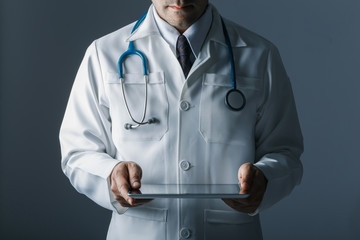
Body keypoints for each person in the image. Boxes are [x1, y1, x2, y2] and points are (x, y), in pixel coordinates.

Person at [59, 0, 303, 239]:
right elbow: (77, 151)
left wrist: (264, 178)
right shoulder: (104, 54)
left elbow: (285, 151)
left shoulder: (260, 55)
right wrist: (110, 173)